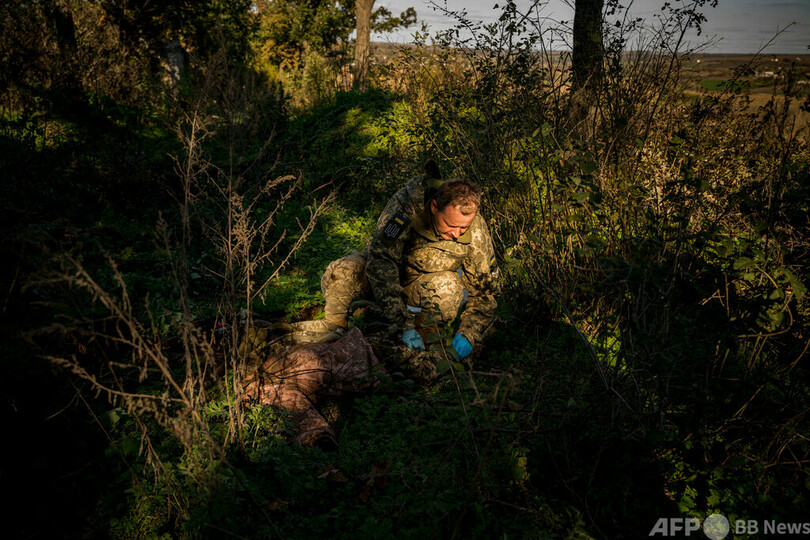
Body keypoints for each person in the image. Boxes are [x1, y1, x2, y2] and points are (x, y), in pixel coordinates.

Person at [320, 165, 498, 374]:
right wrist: (403, 325)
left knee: (447, 287)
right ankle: (334, 335)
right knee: (340, 272)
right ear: (434, 207)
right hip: (386, 275)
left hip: (421, 286)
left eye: (464, 228)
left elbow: (486, 289)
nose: (457, 234)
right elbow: (381, 262)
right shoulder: (406, 207)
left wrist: (469, 332)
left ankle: (422, 343)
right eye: (451, 225)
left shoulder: (475, 228)